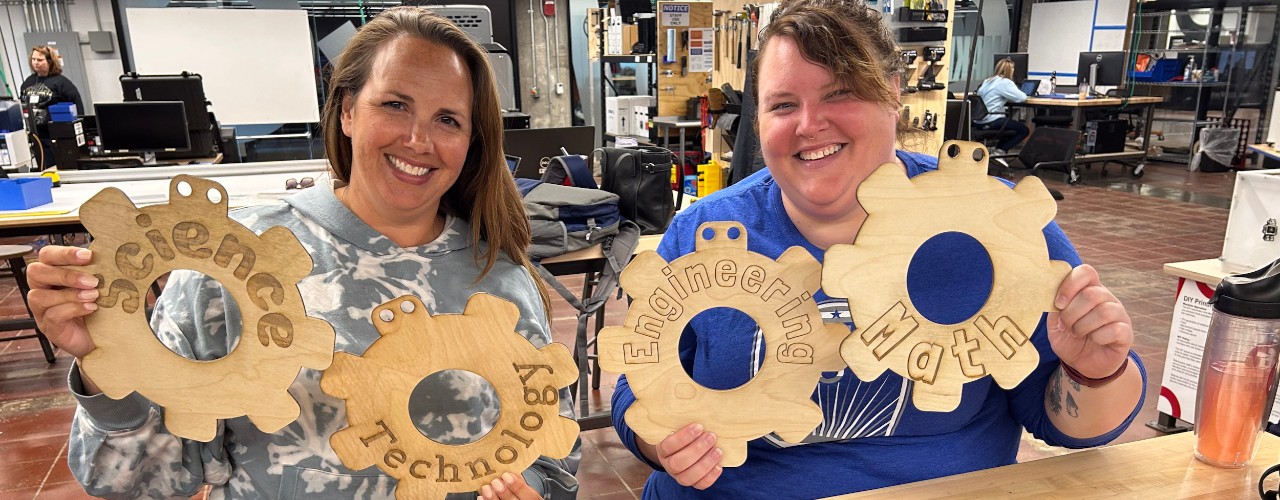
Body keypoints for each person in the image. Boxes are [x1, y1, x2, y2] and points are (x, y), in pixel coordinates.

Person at [25, 7, 577, 499]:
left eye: (448, 120)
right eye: (395, 104)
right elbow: (138, 482)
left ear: (472, 141)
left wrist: (531, 490)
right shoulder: (235, 261)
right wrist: (104, 363)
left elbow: (555, 457)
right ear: (347, 112)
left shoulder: (498, 275)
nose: (418, 139)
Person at [609, 0, 1145, 497]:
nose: (809, 124)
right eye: (782, 104)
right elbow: (639, 385)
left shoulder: (995, 223)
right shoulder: (708, 227)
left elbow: (1063, 422)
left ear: (892, 91)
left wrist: (1094, 373)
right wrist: (664, 444)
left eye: (839, 93)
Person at [19, 45, 84, 169]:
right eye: (33, 59)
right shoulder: (28, 83)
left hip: (57, 136)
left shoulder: (61, 82)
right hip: (37, 136)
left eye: (40, 60)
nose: (35, 63)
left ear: (49, 61)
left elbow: (77, 107)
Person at [973, 57, 1030, 157]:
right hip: (992, 121)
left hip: (978, 121)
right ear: (1010, 70)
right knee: (1023, 130)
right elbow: (1022, 98)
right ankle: (1000, 151)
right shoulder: (1005, 82)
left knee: (1009, 125)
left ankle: (998, 153)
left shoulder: (987, 81)